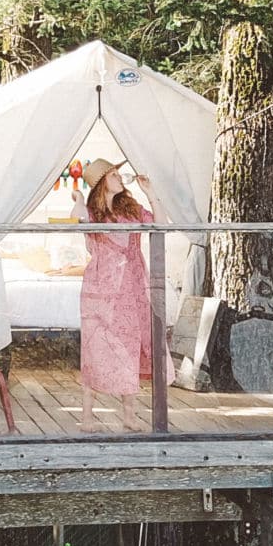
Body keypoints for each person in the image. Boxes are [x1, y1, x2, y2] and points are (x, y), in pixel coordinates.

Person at [72, 158, 158, 432]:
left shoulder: (131, 210)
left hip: (129, 287)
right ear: (102, 183)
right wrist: (78, 197)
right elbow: (78, 219)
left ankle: (129, 416)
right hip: (99, 289)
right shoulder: (92, 213)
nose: (119, 177)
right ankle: (87, 418)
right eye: (113, 174)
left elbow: (161, 223)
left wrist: (150, 192)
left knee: (127, 348)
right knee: (94, 350)